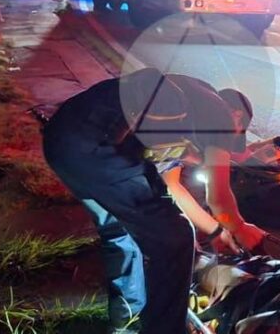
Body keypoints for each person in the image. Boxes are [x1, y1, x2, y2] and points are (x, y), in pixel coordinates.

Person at [43, 68, 266, 333]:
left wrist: (216, 231)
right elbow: (218, 196)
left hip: (61, 143)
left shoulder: (180, 107)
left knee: (122, 231)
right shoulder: (219, 113)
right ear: (237, 115)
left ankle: (128, 321)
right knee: (176, 239)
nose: (228, 145)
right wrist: (240, 228)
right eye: (235, 136)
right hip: (96, 147)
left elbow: (172, 187)